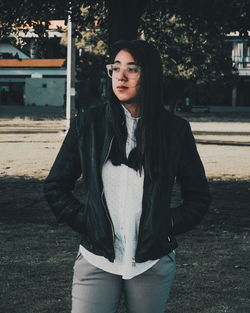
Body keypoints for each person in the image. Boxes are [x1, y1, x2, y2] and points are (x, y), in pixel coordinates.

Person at [44, 40, 211, 313]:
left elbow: (199, 196)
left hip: (151, 261)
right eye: (116, 67)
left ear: (149, 75)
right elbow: (55, 186)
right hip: (97, 260)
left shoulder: (174, 130)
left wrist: (164, 224)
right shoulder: (88, 124)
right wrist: (87, 221)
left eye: (131, 69)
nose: (120, 76)